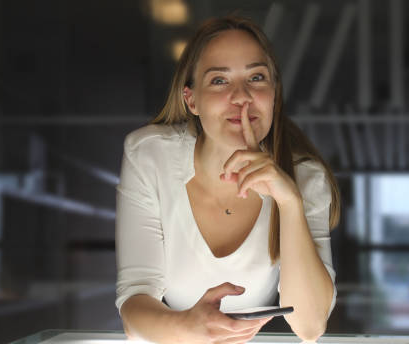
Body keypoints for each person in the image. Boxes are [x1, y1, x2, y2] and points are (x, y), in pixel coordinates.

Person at [115, 15, 341, 343]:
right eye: (220, 81)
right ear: (191, 99)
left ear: (274, 95)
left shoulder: (306, 178)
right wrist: (189, 329)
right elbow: (134, 304)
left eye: (257, 77)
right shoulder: (150, 156)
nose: (242, 96)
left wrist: (289, 202)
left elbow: (309, 326)